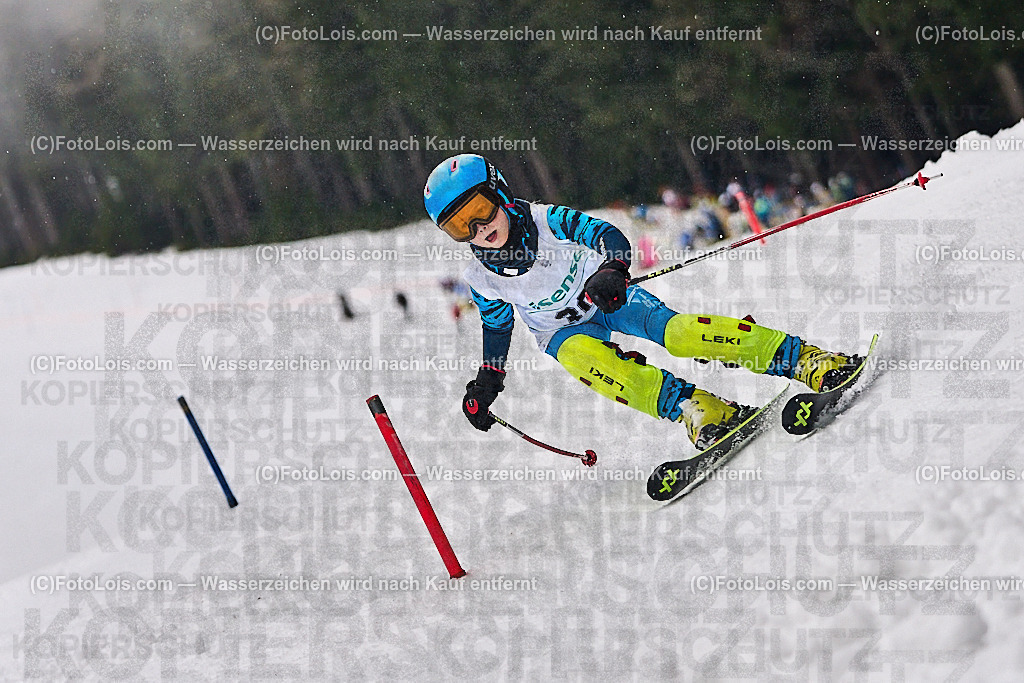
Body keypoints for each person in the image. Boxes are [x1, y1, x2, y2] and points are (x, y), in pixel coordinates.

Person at [423, 154, 861, 450]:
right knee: (589, 363)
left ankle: (802, 358)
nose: (479, 229)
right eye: (461, 227)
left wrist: (612, 268)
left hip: (606, 294)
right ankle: (697, 408)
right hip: (561, 331)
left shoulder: (546, 220)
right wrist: (488, 381)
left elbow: (605, 234)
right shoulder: (481, 278)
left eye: (480, 211)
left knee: (680, 334)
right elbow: (497, 327)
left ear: (499, 192)